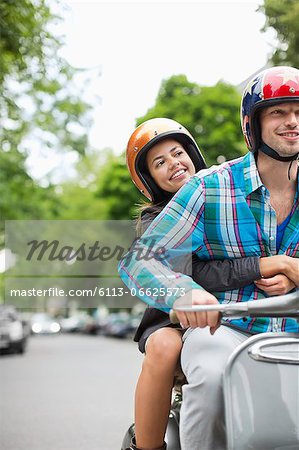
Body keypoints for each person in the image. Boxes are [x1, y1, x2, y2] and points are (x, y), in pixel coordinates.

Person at [119, 65, 299, 450]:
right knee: (213, 375)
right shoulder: (209, 187)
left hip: (293, 329)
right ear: (253, 124)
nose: (292, 122)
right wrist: (182, 292)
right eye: (278, 112)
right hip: (223, 326)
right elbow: (142, 259)